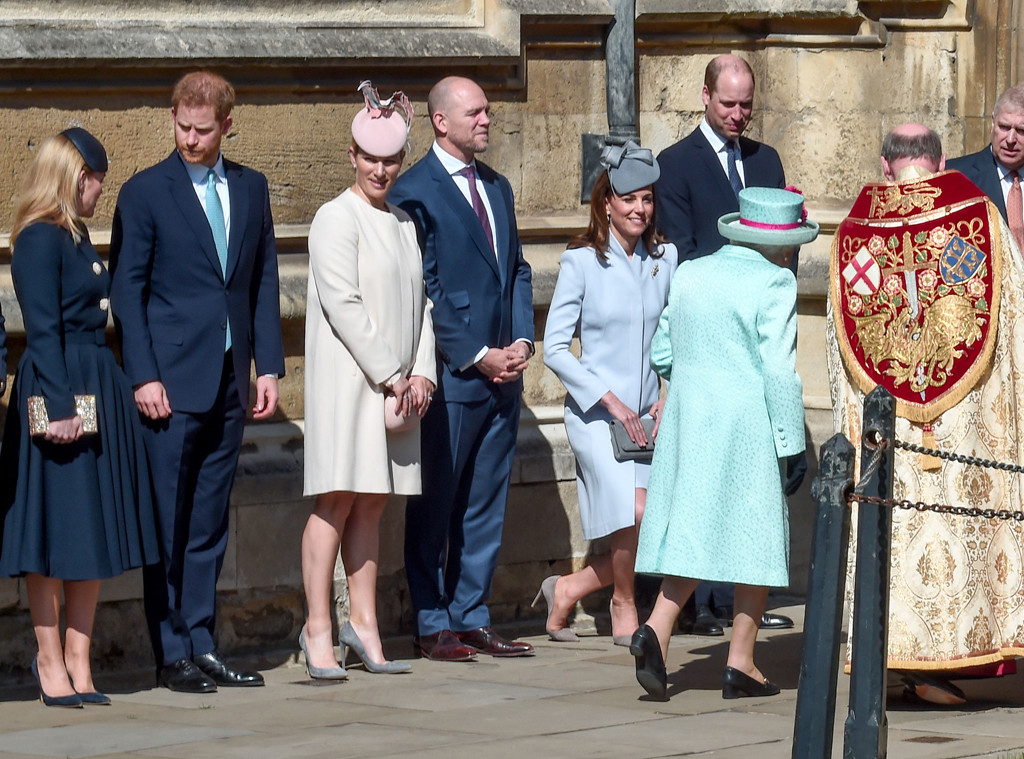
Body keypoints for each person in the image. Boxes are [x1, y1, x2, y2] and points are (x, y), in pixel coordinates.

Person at [828, 123, 1024, 705]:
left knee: (888, 532)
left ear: (886, 166)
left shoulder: (854, 235)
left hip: (884, 427)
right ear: (938, 163)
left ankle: (888, 659)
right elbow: (1010, 319)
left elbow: (839, 360)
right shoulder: (978, 220)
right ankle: (942, 657)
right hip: (962, 424)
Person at [109, 71, 285, 693]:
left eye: (202, 130)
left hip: (232, 382)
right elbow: (126, 292)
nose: (189, 138)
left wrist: (268, 365)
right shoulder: (144, 193)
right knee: (169, 520)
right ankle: (171, 651)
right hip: (169, 386)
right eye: (181, 126)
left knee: (209, 521)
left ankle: (203, 642)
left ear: (227, 126)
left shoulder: (251, 186)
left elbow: (262, 279)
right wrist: (144, 375)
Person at [631, 187, 815, 701]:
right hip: (747, 422)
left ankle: (658, 628)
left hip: (690, 420)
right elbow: (779, 370)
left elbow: (662, 349)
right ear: (781, 243)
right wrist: (791, 439)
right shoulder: (776, 281)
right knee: (757, 536)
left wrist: (694, 382)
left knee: (695, 526)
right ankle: (741, 662)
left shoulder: (691, 272)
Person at [0, 128, 158, 707]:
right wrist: (62, 407)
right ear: (74, 176)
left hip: (95, 384)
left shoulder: (76, 235)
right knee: (54, 530)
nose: (98, 193)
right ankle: (48, 660)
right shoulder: (40, 239)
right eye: (95, 181)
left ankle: (80, 661)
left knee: (88, 529)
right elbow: (41, 330)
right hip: (59, 389)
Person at [388, 75, 535, 661]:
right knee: (436, 502)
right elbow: (428, 288)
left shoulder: (497, 187)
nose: (486, 120)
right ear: (439, 121)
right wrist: (477, 354)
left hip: (506, 374)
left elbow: (519, 269)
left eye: (488, 111)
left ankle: (471, 613)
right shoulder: (414, 191)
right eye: (474, 112)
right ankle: (430, 621)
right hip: (453, 376)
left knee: (485, 501)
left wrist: (522, 338)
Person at [653, 53, 794, 635]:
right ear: (705, 97)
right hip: (707, 322)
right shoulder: (675, 163)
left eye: (746, 106)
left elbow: (784, 236)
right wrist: (734, 281)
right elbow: (682, 249)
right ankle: (700, 605)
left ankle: (736, 606)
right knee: (707, 478)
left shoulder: (768, 160)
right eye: (728, 103)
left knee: (746, 489)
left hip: (756, 317)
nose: (738, 115)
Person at [299, 82, 434, 678]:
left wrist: (423, 373)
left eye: (391, 160)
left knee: (374, 503)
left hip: (399, 385)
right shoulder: (335, 216)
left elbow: (422, 304)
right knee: (337, 498)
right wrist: (393, 375)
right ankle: (318, 627)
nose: (381, 169)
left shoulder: (403, 222)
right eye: (371, 158)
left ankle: (364, 622)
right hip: (353, 383)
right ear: (352, 156)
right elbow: (344, 304)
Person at [538, 141, 675, 644]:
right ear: (607, 203)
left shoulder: (666, 259)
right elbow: (554, 348)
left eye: (647, 199)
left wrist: (669, 388)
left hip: (648, 414)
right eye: (629, 199)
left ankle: (569, 589)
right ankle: (623, 601)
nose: (639, 209)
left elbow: (675, 334)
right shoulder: (581, 261)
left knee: (645, 518)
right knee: (632, 513)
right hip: (596, 415)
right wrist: (609, 400)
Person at [947, 85, 1024, 247]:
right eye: (1004, 127)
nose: (1010, 139)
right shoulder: (955, 177)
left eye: (1021, 130)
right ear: (992, 122)